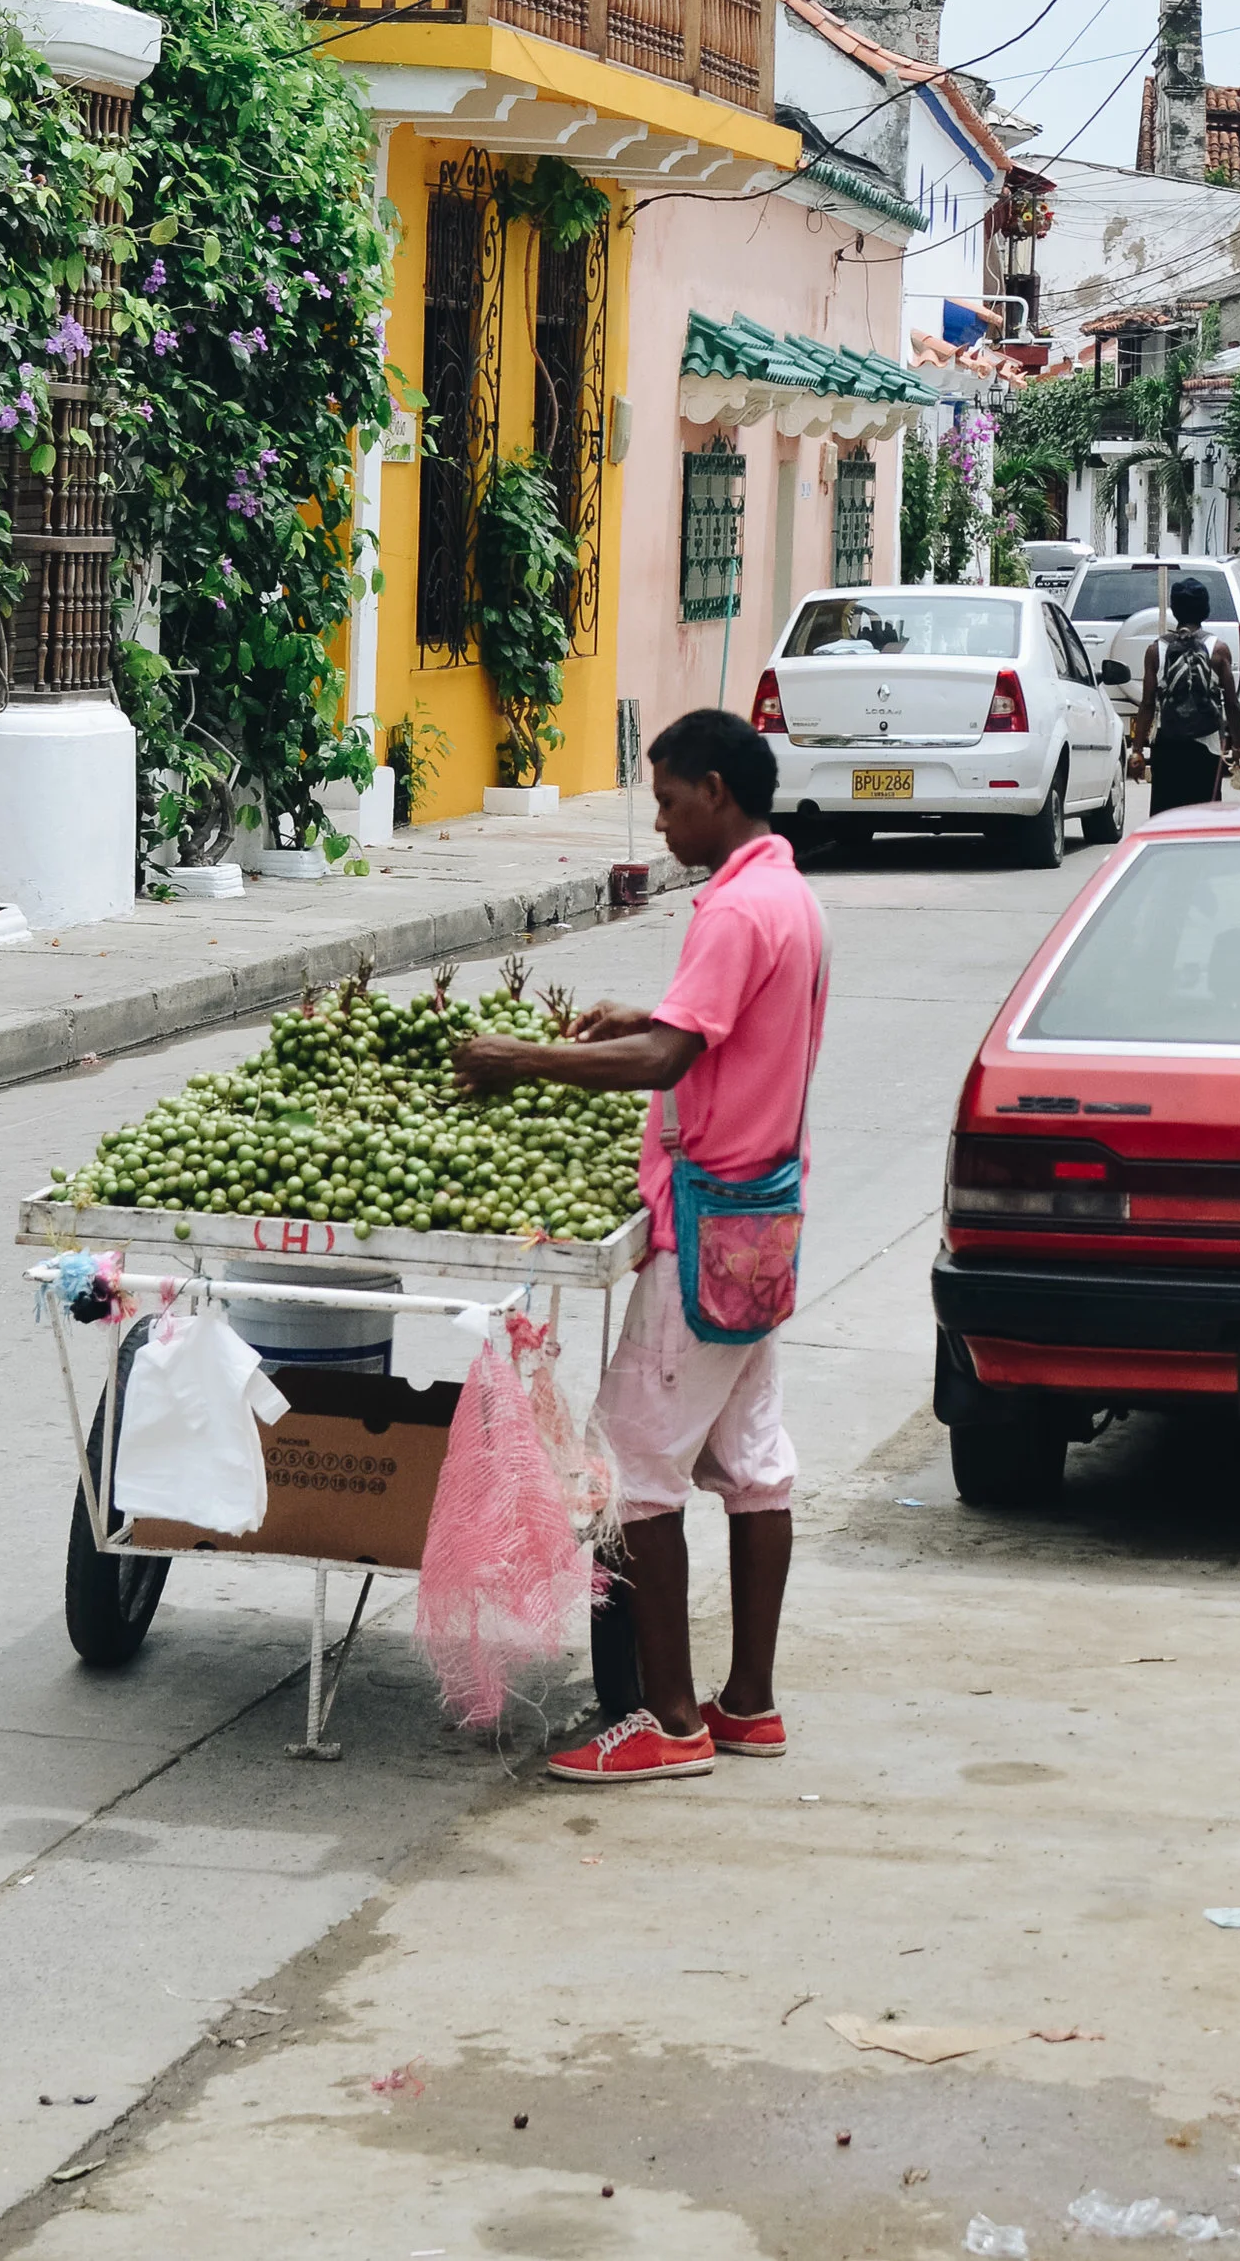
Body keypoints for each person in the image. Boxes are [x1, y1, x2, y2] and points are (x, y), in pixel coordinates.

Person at [451, 708, 828, 1786]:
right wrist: (639, 1015)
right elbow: (707, 1033)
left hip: (707, 1218)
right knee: (754, 1465)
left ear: (715, 789)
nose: (660, 822)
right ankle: (747, 1704)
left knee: (628, 1463)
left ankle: (668, 1717)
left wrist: (520, 1059)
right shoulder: (788, 894)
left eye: (666, 800)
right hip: (763, 1214)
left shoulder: (737, 908)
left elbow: (670, 1061)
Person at [1128, 572, 1240, 816]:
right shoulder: (1218, 650)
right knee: (1205, 820)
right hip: (1206, 749)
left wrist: (1137, 750)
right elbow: (1231, 703)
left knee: (1165, 819)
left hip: (1168, 748)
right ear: (1205, 610)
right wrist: (1239, 745)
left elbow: (1146, 704)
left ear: (1174, 611)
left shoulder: (1157, 650)